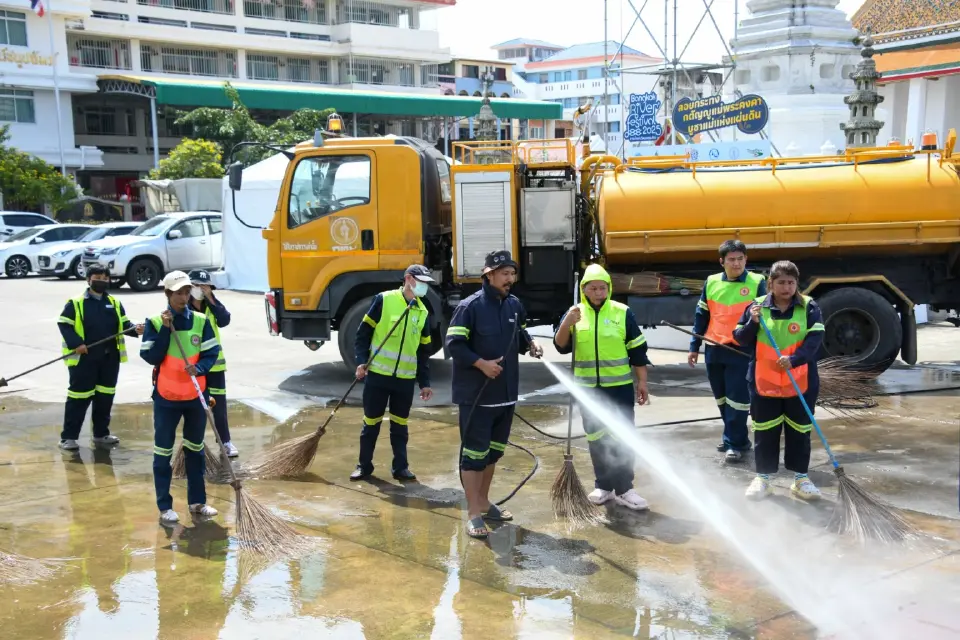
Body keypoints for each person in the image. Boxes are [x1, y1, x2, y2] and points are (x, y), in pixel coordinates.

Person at [446, 250, 544, 540]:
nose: (510, 279)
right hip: (477, 396)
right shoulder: (470, 307)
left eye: (512, 274)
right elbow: (454, 344)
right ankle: (473, 513)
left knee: (493, 453)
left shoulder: (513, 305)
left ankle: (485, 502)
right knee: (474, 455)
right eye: (504, 274)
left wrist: (532, 344)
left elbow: (521, 333)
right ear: (488, 275)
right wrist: (480, 364)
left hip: (505, 395)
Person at [553, 263, 651, 510]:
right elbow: (560, 345)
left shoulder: (622, 312)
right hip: (588, 390)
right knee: (597, 438)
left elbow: (637, 351)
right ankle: (604, 486)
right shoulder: (575, 313)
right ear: (584, 290)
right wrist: (567, 323)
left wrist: (642, 382)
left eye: (602, 288)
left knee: (622, 437)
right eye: (593, 288)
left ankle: (625, 488)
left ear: (608, 288)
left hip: (618, 387)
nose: (598, 292)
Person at [732, 260, 825, 501]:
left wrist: (794, 359)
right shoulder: (756, 308)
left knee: (800, 431)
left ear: (797, 284)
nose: (786, 288)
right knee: (764, 431)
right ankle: (763, 479)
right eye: (781, 282)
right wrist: (752, 323)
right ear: (770, 284)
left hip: (800, 382)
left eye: (791, 283)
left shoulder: (809, 307)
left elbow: (815, 342)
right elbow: (740, 338)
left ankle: (800, 479)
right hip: (764, 383)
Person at [140, 270, 221, 523]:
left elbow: (211, 353)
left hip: (195, 397)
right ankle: (165, 507)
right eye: (178, 292)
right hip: (166, 399)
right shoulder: (154, 322)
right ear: (167, 294)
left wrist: (198, 369)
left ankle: (198, 502)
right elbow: (151, 357)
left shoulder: (200, 320)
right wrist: (165, 330)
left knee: (195, 451)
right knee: (162, 453)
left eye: (187, 291)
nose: (184, 296)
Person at [350, 265, 436, 481]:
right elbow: (363, 334)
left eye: (427, 283)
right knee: (371, 424)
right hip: (378, 376)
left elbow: (423, 352)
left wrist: (424, 382)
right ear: (408, 279)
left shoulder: (423, 312)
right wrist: (361, 362)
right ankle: (364, 466)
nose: (424, 286)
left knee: (400, 426)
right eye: (421, 281)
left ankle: (400, 468)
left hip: (404, 380)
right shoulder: (384, 300)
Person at [688, 239, 767, 462]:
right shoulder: (711, 282)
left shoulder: (757, 282)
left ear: (746, 260)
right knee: (722, 399)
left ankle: (733, 443)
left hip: (742, 350)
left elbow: (765, 319)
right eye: (731, 260)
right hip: (714, 347)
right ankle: (737, 438)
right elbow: (701, 316)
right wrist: (694, 347)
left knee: (737, 399)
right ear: (721, 261)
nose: (736, 264)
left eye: (740, 259)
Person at [57, 265, 144, 451]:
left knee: (105, 397)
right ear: (88, 279)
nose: (102, 280)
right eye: (97, 277)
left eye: (105, 278)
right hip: (84, 359)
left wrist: (135, 329)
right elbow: (64, 324)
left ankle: (101, 434)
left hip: (109, 359)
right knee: (79, 398)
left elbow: (124, 324)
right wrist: (76, 344)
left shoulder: (113, 302)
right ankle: (68, 438)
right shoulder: (76, 303)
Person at [187, 269, 238, 457]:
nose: (199, 289)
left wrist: (211, 298)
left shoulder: (212, 306)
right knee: (196, 406)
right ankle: (194, 443)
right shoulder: (182, 306)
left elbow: (225, 320)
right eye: (195, 286)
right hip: (193, 366)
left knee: (219, 406)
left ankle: (225, 441)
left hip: (215, 366)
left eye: (204, 286)